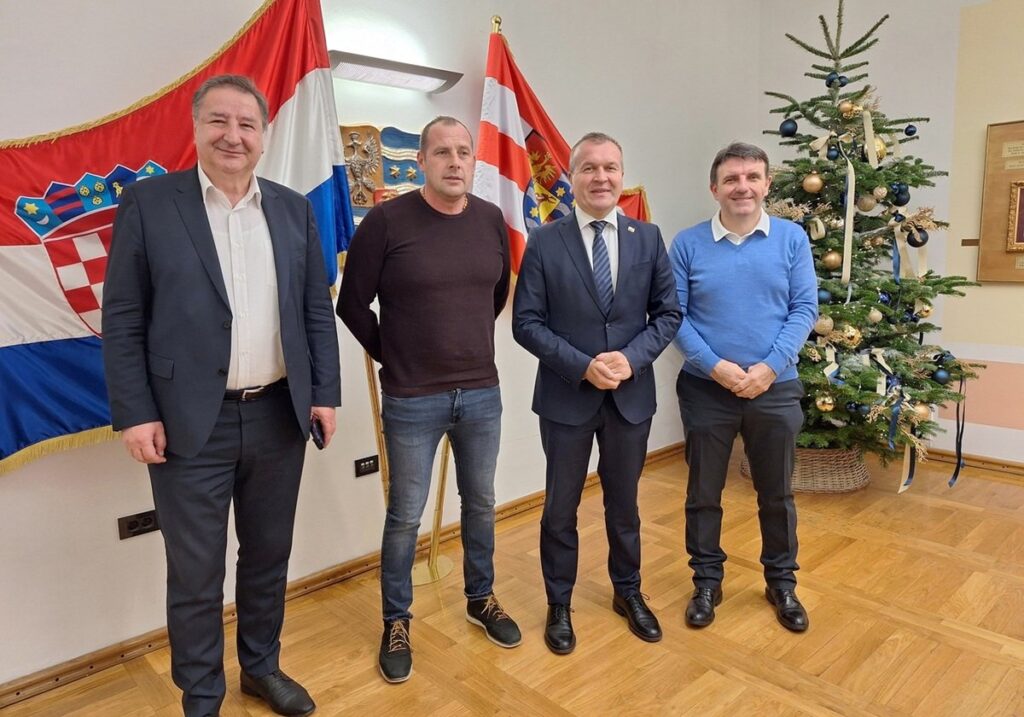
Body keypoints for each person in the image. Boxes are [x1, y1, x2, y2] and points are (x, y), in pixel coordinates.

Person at [102, 74, 340, 717]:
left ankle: (261, 668)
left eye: (246, 124)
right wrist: (135, 412)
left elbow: (314, 310)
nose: (233, 135)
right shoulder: (150, 204)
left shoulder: (292, 208)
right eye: (219, 121)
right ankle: (202, 694)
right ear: (197, 127)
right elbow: (123, 317)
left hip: (279, 415)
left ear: (263, 135)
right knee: (196, 570)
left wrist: (324, 392)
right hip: (187, 424)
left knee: (268, 556)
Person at [337, 116, 520, 684]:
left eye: (464, 152)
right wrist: (393, 355)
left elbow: (496, 293)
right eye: (442, 152)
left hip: (481, 392)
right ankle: (396, 621)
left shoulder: (489, 220)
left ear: (473, 161)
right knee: (405, 516)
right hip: (412, 398)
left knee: (481, 503)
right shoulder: (386, 222)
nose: (454, 162)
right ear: (421, 161)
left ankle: (480, 598)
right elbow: (351, 305)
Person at [512, 132, 681, 654]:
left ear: (621, 175)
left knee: (624, 504)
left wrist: (630, 359)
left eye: (610, 167)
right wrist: (583, 367)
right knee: (560, 508)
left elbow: (668, 314)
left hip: (630, 399)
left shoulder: (647, 237)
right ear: (572, 175)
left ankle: (628, 591)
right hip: (566, 397)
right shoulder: (545, 240)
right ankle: (559, 602)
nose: (601, 177)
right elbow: (526, 323)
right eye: (589, 168)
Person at [669, 142, 817, 633]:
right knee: (703, 493)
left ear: (767, 184)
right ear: (714, 188)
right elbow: (674, 315)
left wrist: (769, 368)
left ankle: (782, 583)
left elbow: (804, 309)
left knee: (776, 494)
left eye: (753, 177)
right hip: (706, 389)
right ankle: (706, 582)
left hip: (775, 387)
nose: (743, 187)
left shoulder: (792, 239)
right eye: (731, 179)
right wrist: (715, 368)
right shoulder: (687, 244)